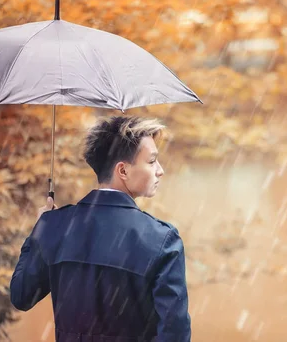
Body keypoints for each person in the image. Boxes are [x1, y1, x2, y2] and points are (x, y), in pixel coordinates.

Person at [10, 116, 191, 342]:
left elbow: (21, 296)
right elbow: (175, 333)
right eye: (152, 161)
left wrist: (40, 230)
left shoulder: (54, 227)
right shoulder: (161, 239)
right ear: (122, 171)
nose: (160, 170)